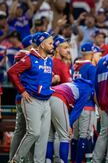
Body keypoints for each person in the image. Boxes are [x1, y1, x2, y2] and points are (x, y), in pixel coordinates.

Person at [8, 32, 54, 163]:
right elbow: (12, 72)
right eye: (50, 43)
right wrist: (22, 90)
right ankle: (16, 160)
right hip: (32, 99)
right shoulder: (29, 58)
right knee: (33, 133)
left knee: (43, 137)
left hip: (46, 101)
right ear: (42, 43)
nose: (52, 45)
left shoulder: (49, 61)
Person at [46, 78, 94, 163]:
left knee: (50, 136)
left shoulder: (72, 83)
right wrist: (69, 125)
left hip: (48, 96)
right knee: (64, 136)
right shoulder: (88, 89)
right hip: (59, 99)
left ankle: (48, 161)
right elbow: (76, 110)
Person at [8, 34, 33, 162]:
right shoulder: (25, 55)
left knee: (21, 131)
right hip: (25, 96)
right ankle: (18, 159)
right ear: (31, 45)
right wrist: (23, 90)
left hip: (21, 95)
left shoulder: (22, 55)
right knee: (29, 132)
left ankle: (13, 158)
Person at [71, 42, 97, 163]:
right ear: (91, 53)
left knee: (75, 135)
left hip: (75, 106)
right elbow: (93, 90)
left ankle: (74, 160)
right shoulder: (91, 68)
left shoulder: (75, 66)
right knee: (84, 135)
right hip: (87, 106)